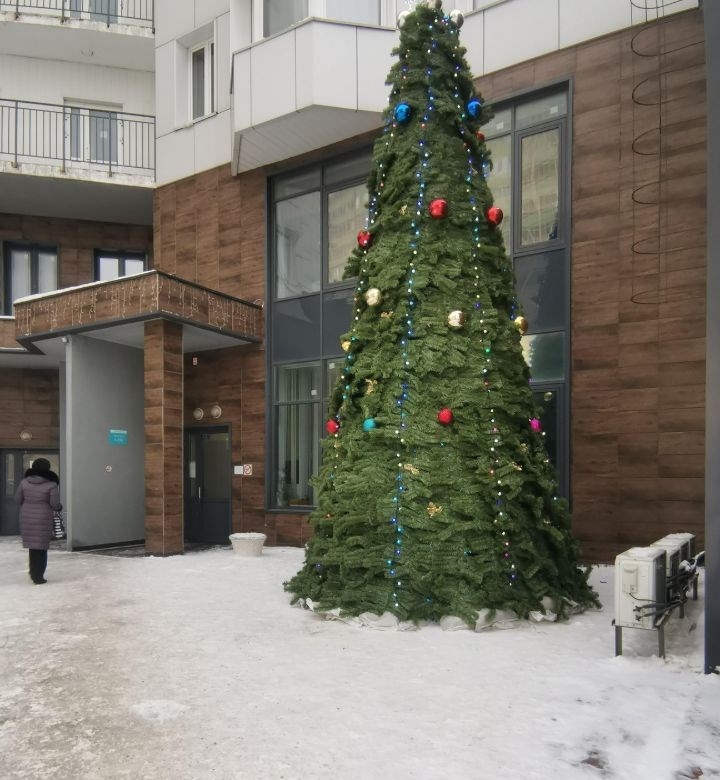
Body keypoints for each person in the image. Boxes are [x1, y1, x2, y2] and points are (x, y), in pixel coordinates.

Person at [15, 458, 62, 585]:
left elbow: (18, 499)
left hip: (26, 516)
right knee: (41, 547)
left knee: (33, 546)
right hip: (43, 517)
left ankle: (33, 572)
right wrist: (59, 507)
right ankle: (38, 576)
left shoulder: (24, 482)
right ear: (47, 468)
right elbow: (54, 503)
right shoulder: (51, 484)